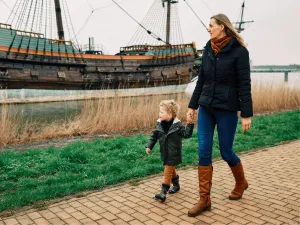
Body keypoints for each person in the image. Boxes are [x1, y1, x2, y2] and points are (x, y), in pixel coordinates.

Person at [186, 14, 253, 217]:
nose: (208, 29)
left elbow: (244, 84)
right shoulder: (208, 48)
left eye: (211, 26)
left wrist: (246, 114)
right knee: (203, 151)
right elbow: (201, 81)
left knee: (226, 152)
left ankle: (241, 182)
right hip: (206, 106)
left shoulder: (239, 52)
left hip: (227, 109)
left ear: (222, 27)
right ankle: (204, 199)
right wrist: (193, 106)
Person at [146, 100, 194, 202]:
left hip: (174, 152)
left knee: (168, 169)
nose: (159, 114)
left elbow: (186, 134)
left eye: (162, 112)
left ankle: (163, 191)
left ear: (170, 114)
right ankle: (176, 185)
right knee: (170, 167)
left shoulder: (178, 125)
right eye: (159, 112)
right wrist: (149, 146)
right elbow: (154, 136)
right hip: (164, 151)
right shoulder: (159, 124)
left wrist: (189, 124)